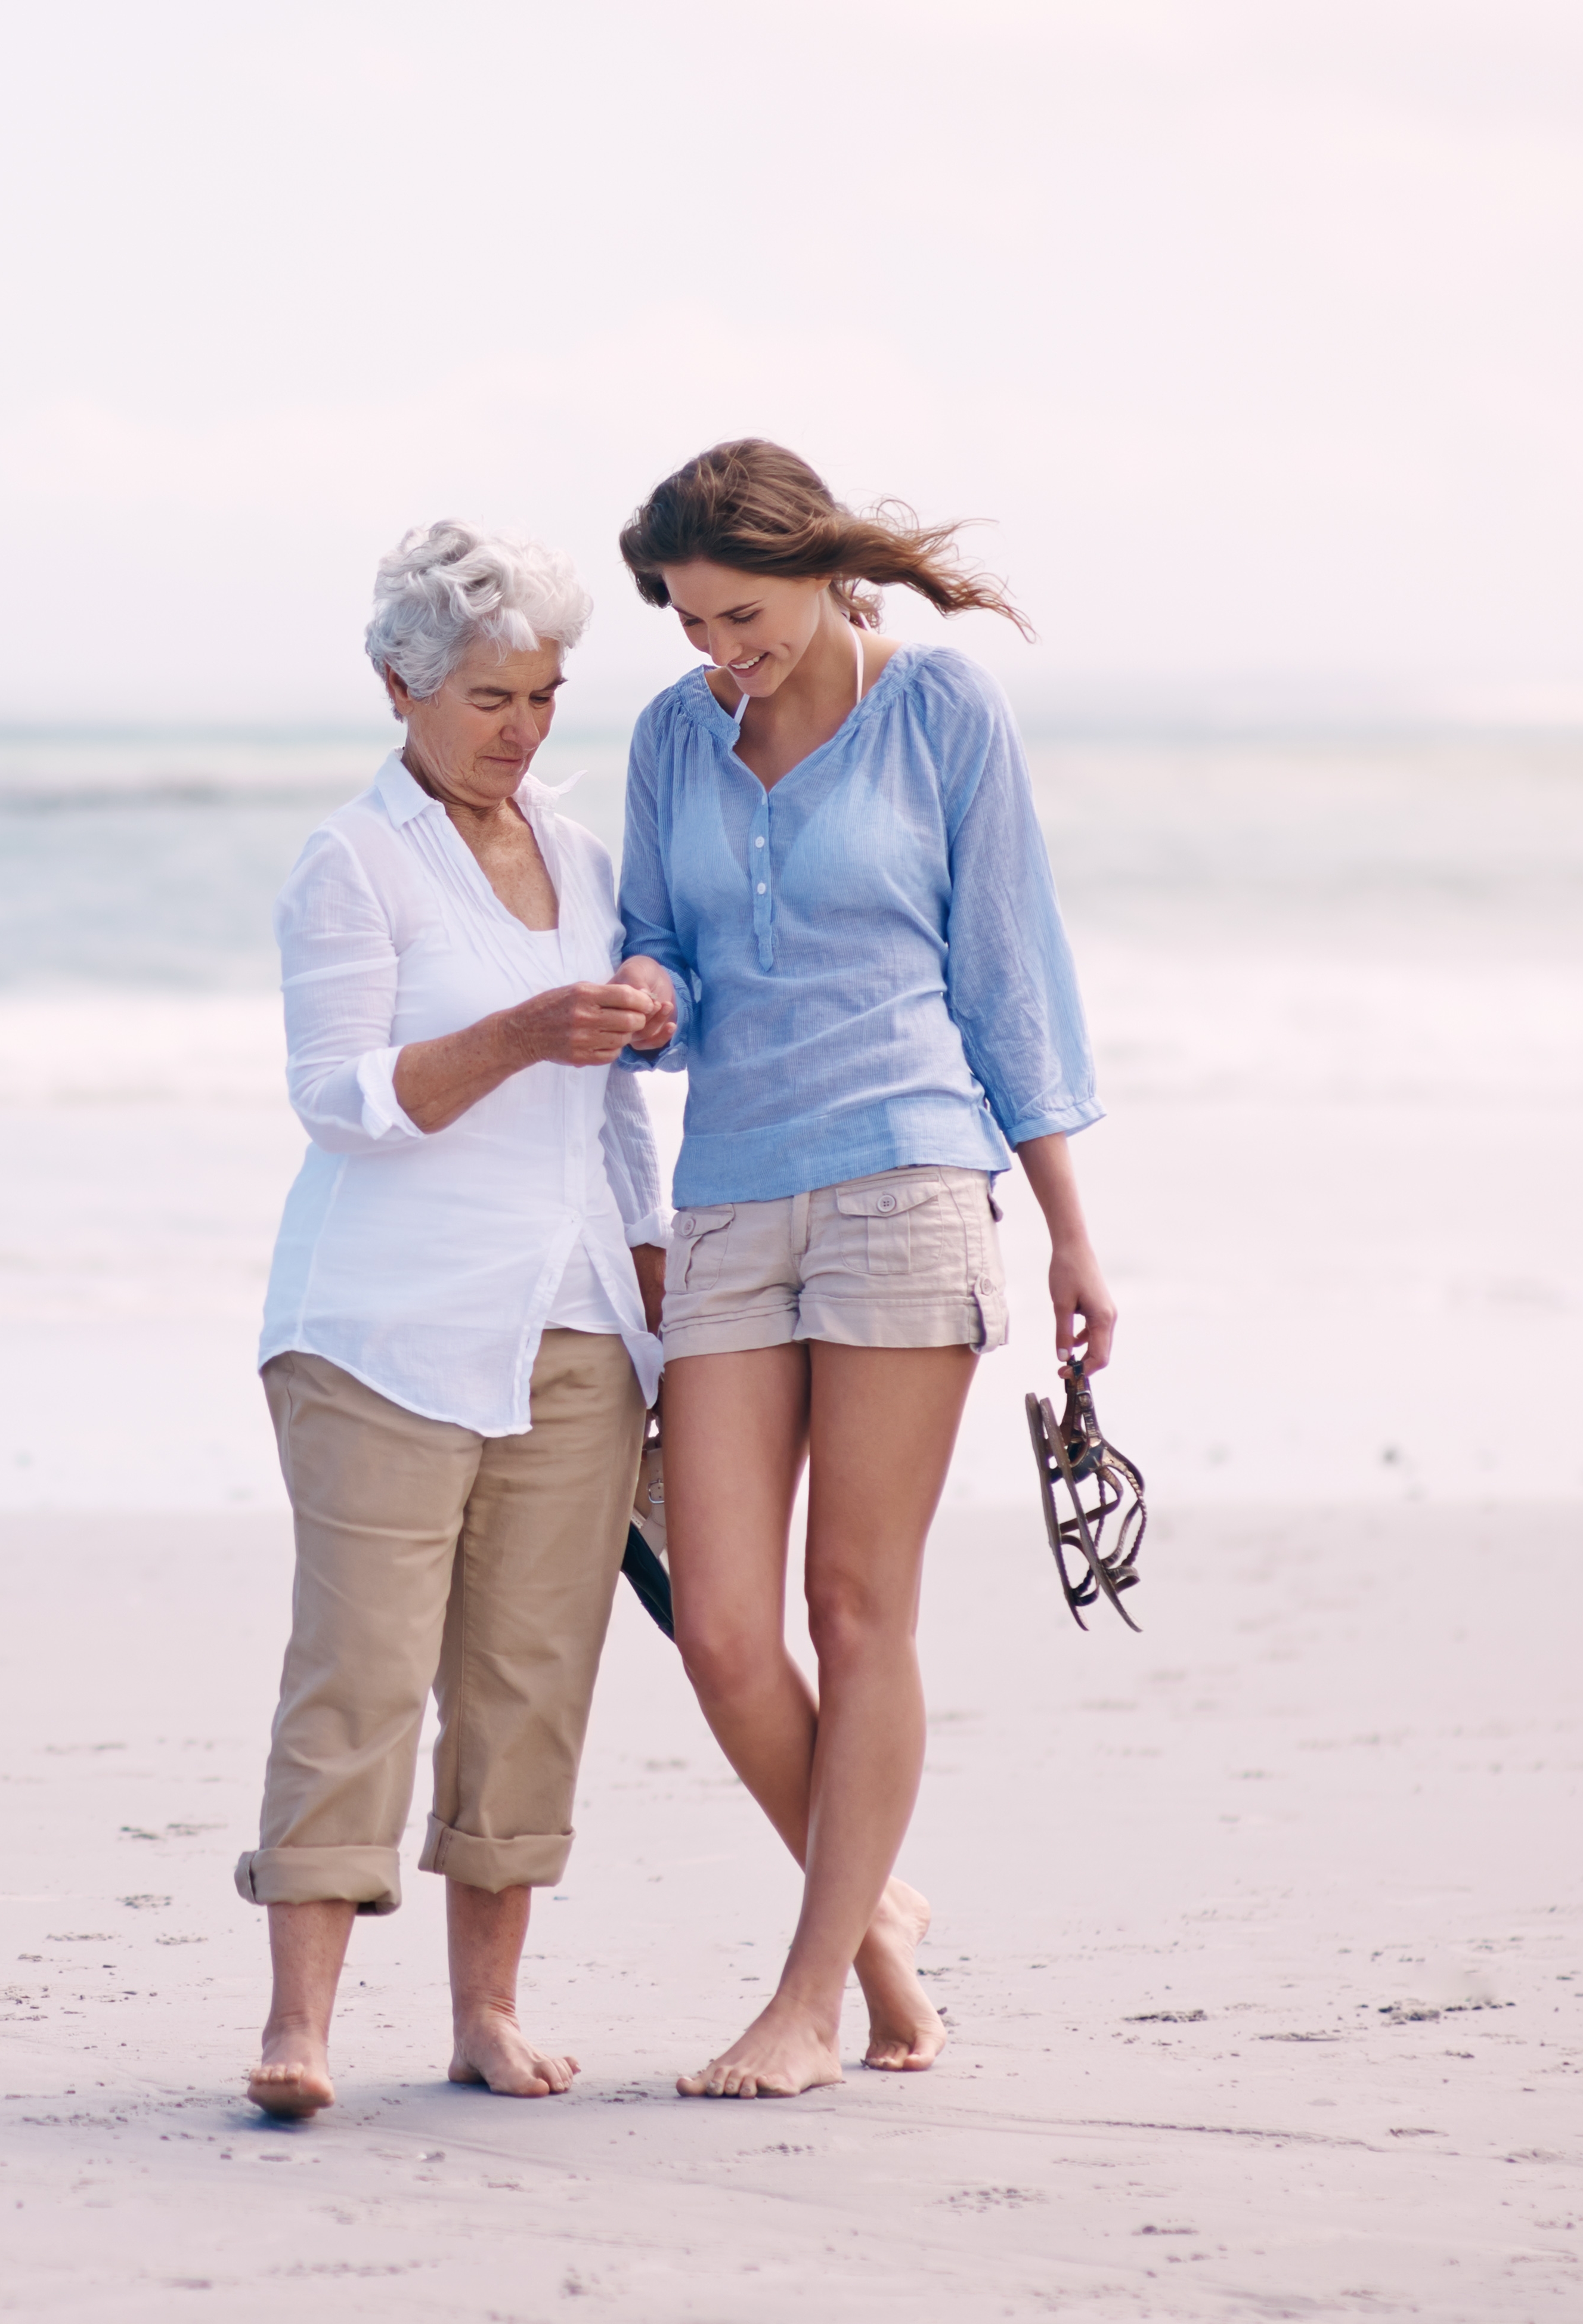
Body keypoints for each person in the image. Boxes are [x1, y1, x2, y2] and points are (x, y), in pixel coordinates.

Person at [605, 439, 1112, 2099]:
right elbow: (660, 935)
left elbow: (1004, 970)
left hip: (907, 1177)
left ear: (826, 572)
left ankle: (809, 1999)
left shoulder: (939, 712)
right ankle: (881, 1945)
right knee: (722, 1630)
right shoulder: (672, 738)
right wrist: (647, 980)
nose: (715, 654)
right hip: (734, 1198)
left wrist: (1067, 1228)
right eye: (687, 623)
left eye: (737, 616)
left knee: (855, 1602)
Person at [238, 520, 670, 2117]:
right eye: (490, 694)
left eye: (546, 693)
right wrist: (517, 1032)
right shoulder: (349, 862)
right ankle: (299, 2022)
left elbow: (618, 1115)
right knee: (356, 1665)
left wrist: (653, 1300)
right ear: (396, 683)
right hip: (379, 1329)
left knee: (529, 1674)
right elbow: (340, 1100)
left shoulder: (579, 852)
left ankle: (485, 2012)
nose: (521, 726)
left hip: (570, 1325)